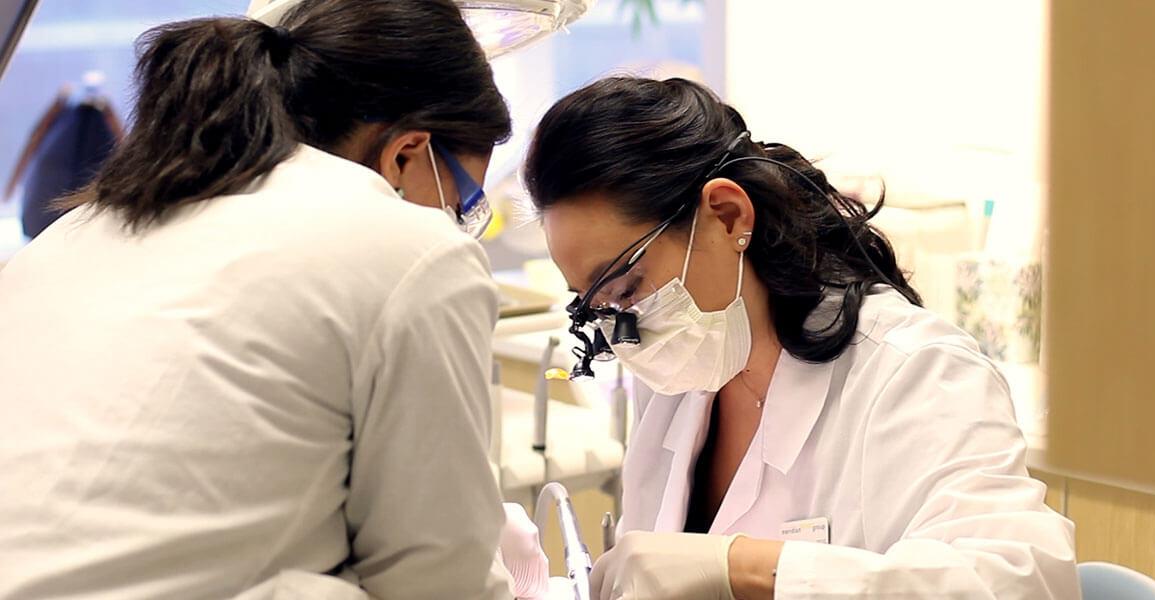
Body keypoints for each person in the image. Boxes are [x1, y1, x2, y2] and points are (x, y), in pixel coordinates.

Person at [0, 1, 514, 598]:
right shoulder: (415, 250)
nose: (457, 224)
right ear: (405, 152)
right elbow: (437, 579)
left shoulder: (75, 229)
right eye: (467, 200)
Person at [523, 77, 1080, 600]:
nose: (625, 329)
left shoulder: (915, 372)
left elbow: (1023, 581)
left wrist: (742, 567)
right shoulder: (682, 372)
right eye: (595, 304)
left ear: (727, 215)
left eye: (628, 285)